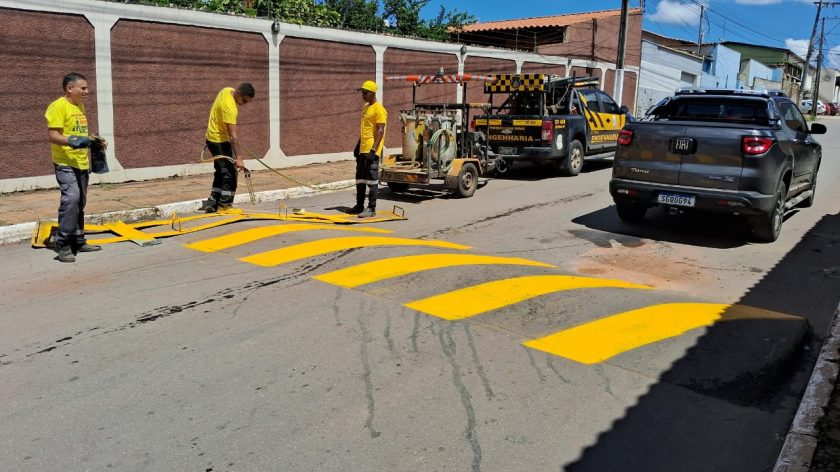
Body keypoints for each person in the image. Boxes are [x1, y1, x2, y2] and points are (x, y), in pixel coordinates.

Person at [45, 72, 102, 263]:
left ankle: (78, 239)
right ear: (70, 88)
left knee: (80, 202)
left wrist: (92, 140)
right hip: (65, 163)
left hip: (81, 162)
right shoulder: (57, 106)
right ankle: (63, 244)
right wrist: (74, 141)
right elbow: (54, 135)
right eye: (83, 88)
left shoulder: (79, 106)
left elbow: (78, 132)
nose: (87, 91)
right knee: (71, 199)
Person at [198, 83, 255, 213]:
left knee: (220, 171)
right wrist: (239, 158)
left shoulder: (226, 90)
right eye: (244, 100)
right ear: (238, 93)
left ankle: (213, 203)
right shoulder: (230, 108)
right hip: (219, 141)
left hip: (212, 138)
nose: (244, 104)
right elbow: (233, 136)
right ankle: (225, 205)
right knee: (230, 172)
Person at [351, 80, 387, 218]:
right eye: (362, 93)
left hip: (372, 150)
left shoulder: (379, 110)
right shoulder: (365, 107)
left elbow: (380, 131)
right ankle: (359, 205)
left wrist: (373, 150)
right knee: (360, 178)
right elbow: (364, 130)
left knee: (371, 180)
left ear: (372, 93)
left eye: (365, 93)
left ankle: (371, 208)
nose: (363, 95)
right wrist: (358, 145)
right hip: (362, 149)